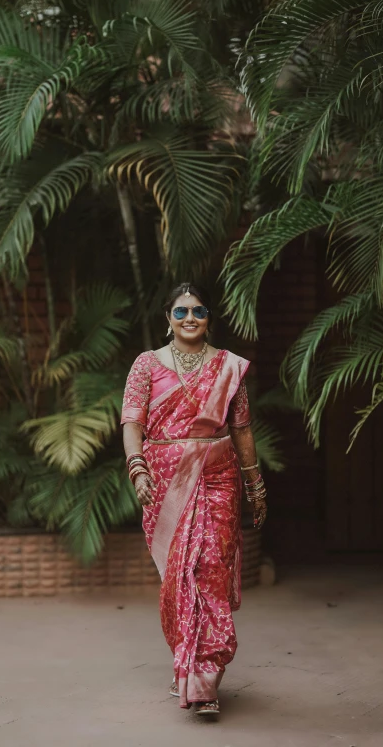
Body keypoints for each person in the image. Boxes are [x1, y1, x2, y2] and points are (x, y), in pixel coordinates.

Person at [121, 282, 267, 716]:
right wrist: (137, 468)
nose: (190, 318)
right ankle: (187, 659)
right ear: (167, 317)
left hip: (219, 475)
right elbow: (131, 421)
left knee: (210, 569)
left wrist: (255, 484)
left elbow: (240, 428)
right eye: (181, 311)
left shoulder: (227, 367)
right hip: (164, 479)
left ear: (209, 318)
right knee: (179, 575)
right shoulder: (147, 364)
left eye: (199, 311)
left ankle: (204, 677)